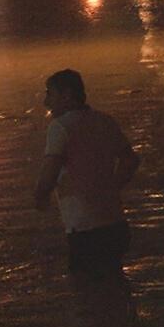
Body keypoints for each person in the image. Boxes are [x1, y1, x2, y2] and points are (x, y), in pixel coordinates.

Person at [34, 69, 140, 278]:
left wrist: (40, 197)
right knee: (115, 285)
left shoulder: (60, 127)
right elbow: (131, 160)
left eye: (50, 94)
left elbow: (50, 172)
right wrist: (111, 188)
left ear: (67, 95)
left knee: (87, 290)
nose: (46, 102)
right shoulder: (105, 121)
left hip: (84, 228)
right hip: (115, 223)